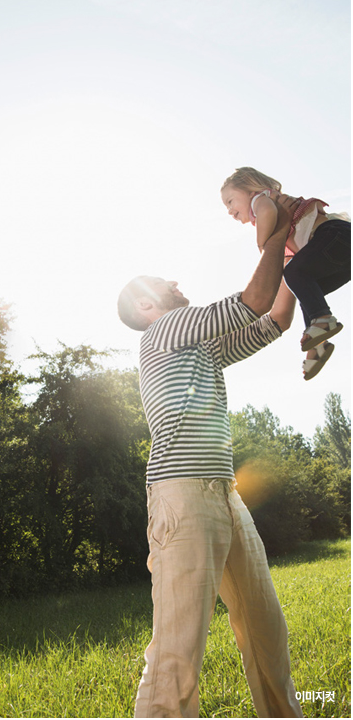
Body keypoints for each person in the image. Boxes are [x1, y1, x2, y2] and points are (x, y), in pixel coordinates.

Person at [117, 194, 303, 719]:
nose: (175, 282)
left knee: (266, 631)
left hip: (224, 495)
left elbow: (274, 318)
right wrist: (278, 229)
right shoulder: (166, 330)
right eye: (162, 283)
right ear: (146, 307)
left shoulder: (198, 345)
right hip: (182, 497)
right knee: (178, 651)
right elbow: (253, 299)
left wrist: (294, 258)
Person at [221, 167, 351, 380]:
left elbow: (267, 213)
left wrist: (263, 246)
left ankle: (323, 320)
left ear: (250, 189)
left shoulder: (260, 200)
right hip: (339, 252)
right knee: (304, 290)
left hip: (334, 236)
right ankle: (318, 345)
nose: (229, 210)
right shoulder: (271, 207)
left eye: (230, 201)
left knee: (296, 275)